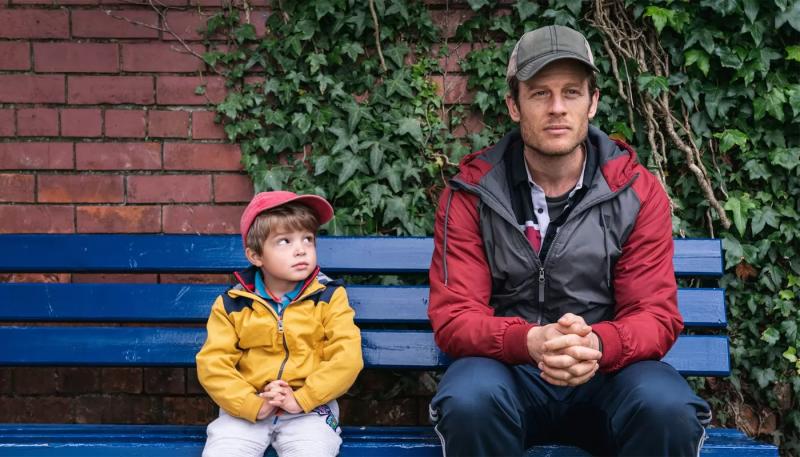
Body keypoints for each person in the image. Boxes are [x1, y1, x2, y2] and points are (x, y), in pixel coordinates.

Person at [427, 25, 711, 456]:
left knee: (666, 407)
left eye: (572, 93)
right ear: (514, 105)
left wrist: (596, 343)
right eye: (540, 93)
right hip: (510, 373)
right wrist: (530, 342)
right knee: (469, 400)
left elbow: (653, 313)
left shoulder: (635, 191)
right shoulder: (472, 193)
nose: (557, 108)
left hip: (607, 374)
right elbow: (456, 317)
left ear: (592, 102)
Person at [196, 191, 363, 457]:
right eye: (284, 241)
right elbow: (213, 364)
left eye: (307, 239)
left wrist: (301, 398)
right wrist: (251, 404)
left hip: (310, 409)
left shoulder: (329, 297)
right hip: (248, 407)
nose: (301, 249)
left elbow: (347, 358)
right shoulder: (233, 304)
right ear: (255, 256)